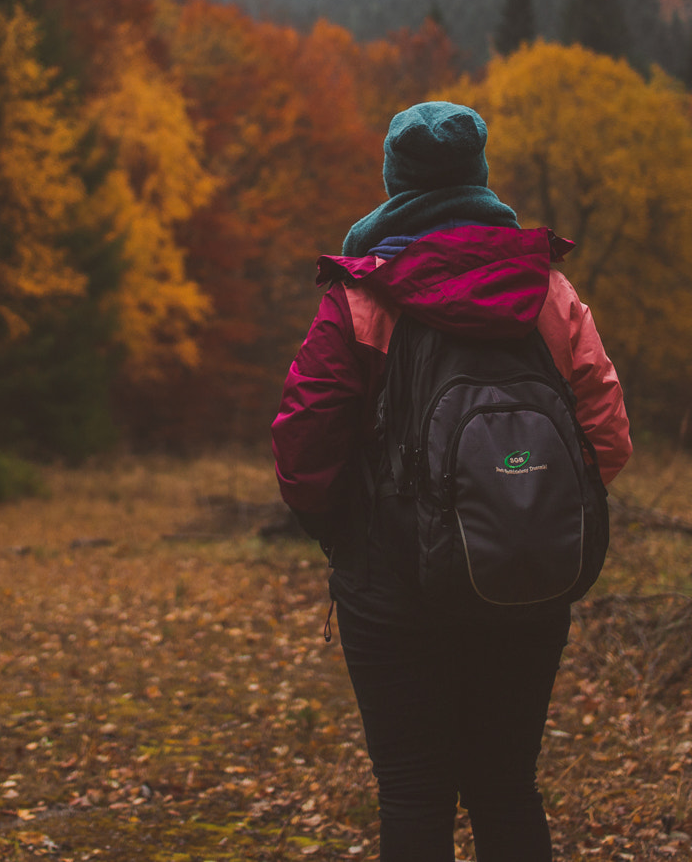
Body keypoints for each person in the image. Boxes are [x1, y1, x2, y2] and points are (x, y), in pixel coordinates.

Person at [271, 100, 632, 862]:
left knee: (413, 791)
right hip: (526, 572)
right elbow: (608, 432)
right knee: (506, 786)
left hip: (392, 585)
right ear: (479, 176)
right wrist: (531, 502)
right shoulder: (548, 289)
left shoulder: (364, 294)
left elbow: (305, 443)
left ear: (394, 182)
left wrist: (344, 534)